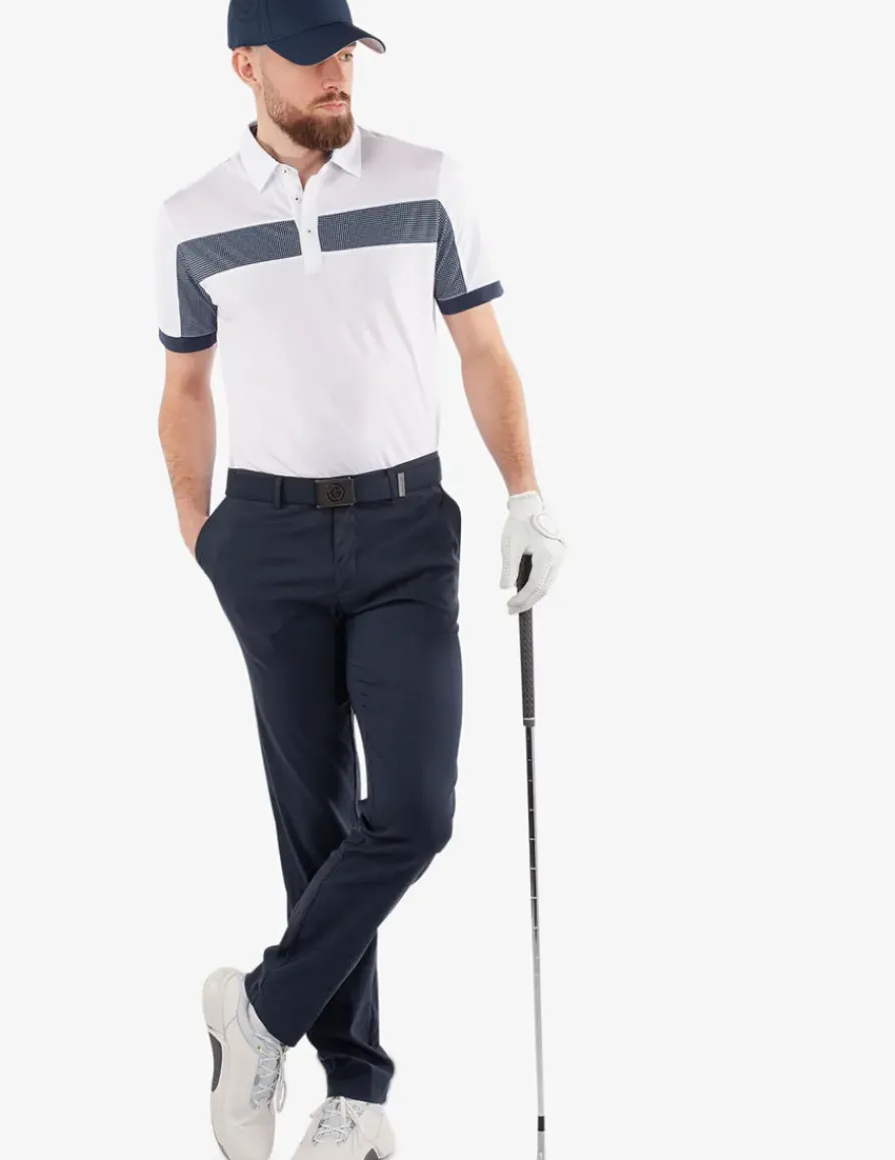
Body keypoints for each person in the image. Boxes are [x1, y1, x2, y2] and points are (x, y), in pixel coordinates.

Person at [154, 1, 566, 1156]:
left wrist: (524, 492)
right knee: (315, 826)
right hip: (265, 540)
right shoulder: (191, 218)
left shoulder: (427, 181)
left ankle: (256, 1011)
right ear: (245, 65)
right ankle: (356, 1096)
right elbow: (183, 388)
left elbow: (482, 350)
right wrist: (202, 536)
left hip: (402, 534)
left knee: (414, 812)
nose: (336, 72)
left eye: (345, 52)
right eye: (310, 57)